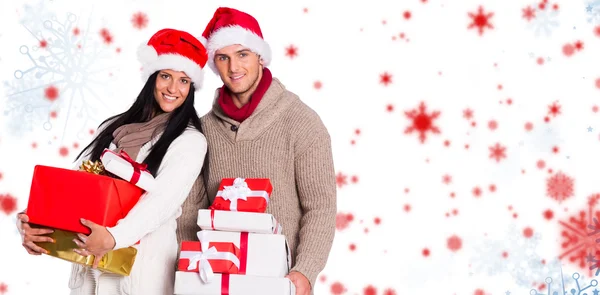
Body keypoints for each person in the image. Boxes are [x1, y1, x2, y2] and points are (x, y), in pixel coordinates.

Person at [17, 28, 209, 295]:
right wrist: (33, 222)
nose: (173, 89)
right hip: (88, 266)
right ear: (152, 77)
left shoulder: (189, 141)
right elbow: (74, 184)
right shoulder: (112, 127)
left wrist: (113, 237)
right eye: (166, 76)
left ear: (191, 88)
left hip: (138, 274)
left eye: (184, 81)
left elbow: (163, 201)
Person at [177, 7, 337, 295]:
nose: (234, 68)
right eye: (223, 58)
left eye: (242, 55)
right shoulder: (202, 131)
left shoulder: (301, 122)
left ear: (260, 57)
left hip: (279, 279)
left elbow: (320, 207)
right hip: (214, 279)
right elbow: (190, 209)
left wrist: (305, 270)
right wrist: (191, 267)